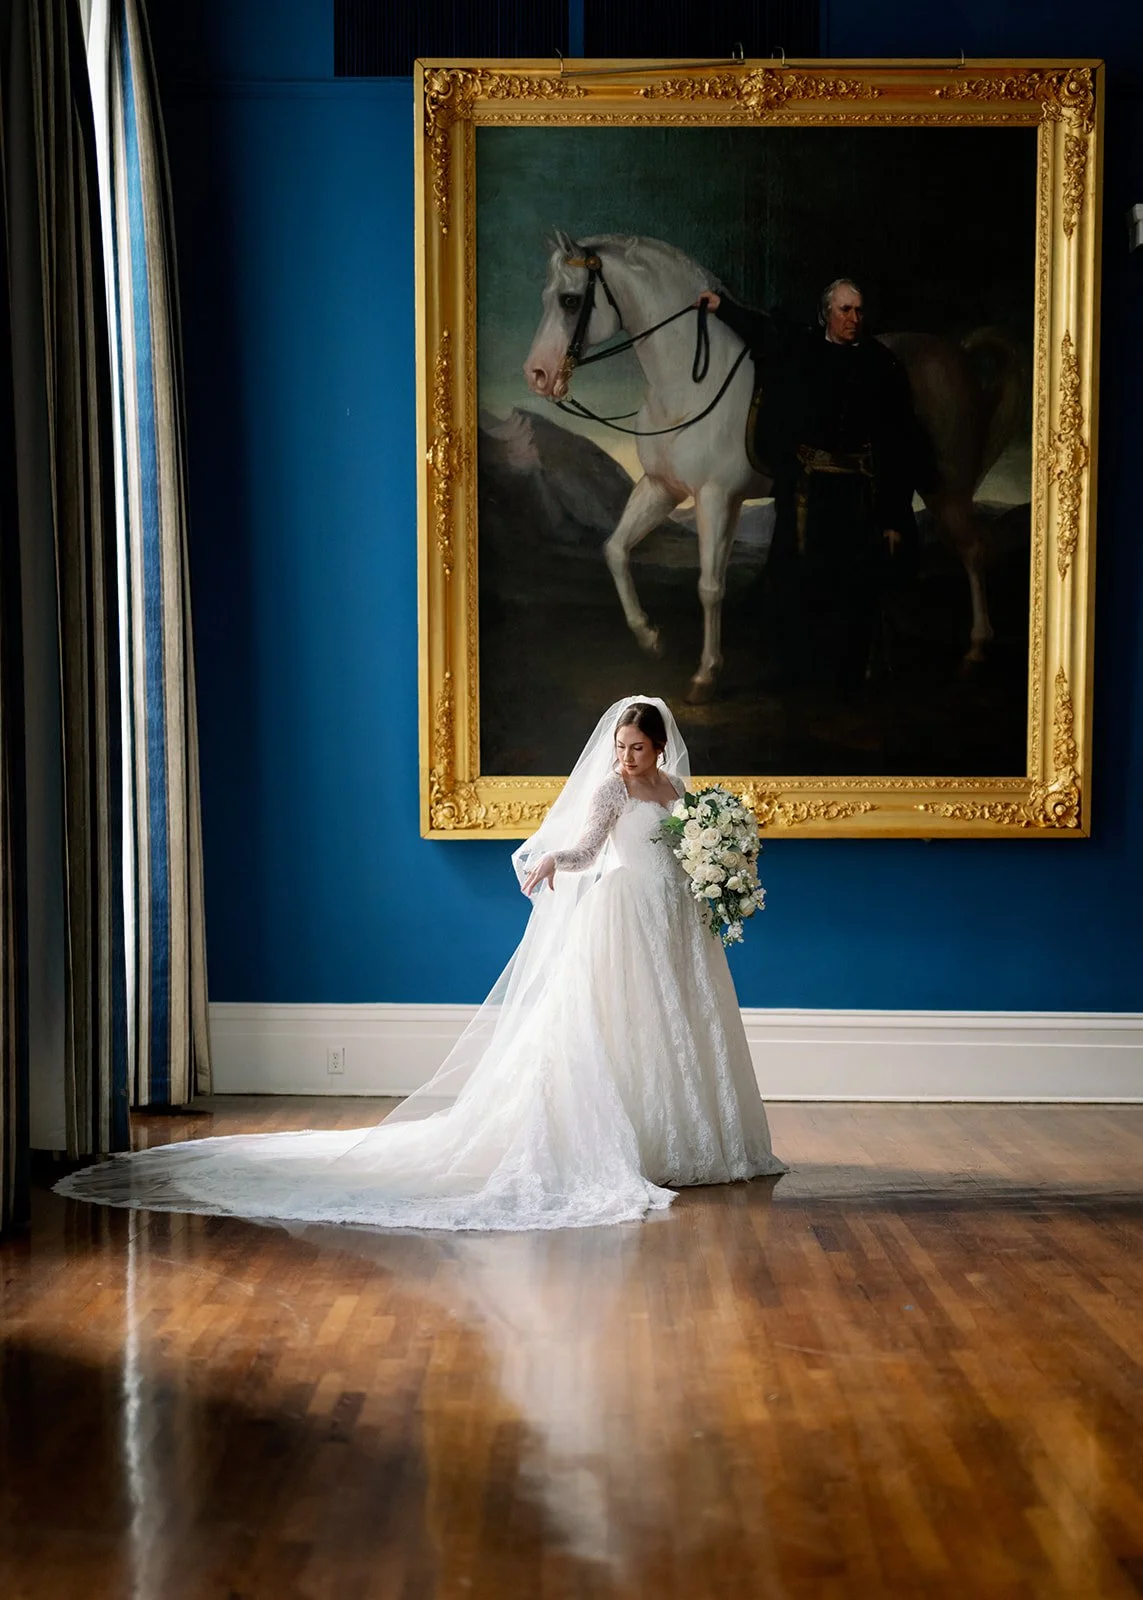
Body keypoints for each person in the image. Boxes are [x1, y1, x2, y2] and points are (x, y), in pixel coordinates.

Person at [56, 696, 785, 1231]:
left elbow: (697, 852)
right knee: (617, 1026)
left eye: (634, 747)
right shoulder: (612, 790)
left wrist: (724, 869)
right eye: (619, 746)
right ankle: (634, 1141)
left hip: (673, 923)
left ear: (659, 747)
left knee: (677, 1026)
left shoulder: (685, 795)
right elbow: (590, 849)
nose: (624, 756)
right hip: (623, 913)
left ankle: (698, 1140)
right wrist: (551, 859)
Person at [698, 278, 931, 697]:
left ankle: (847, 683)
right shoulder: (802, 348)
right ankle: (798, 677)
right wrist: (722, 307)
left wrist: (895, 514)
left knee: (854, 590)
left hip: (860, 497)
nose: (853, 320)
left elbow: (901, 444)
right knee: (796, 584)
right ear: (826, 313)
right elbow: (762, 330)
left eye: (859, 311)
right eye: (845, 311)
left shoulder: (881, 365)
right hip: (805, 495)